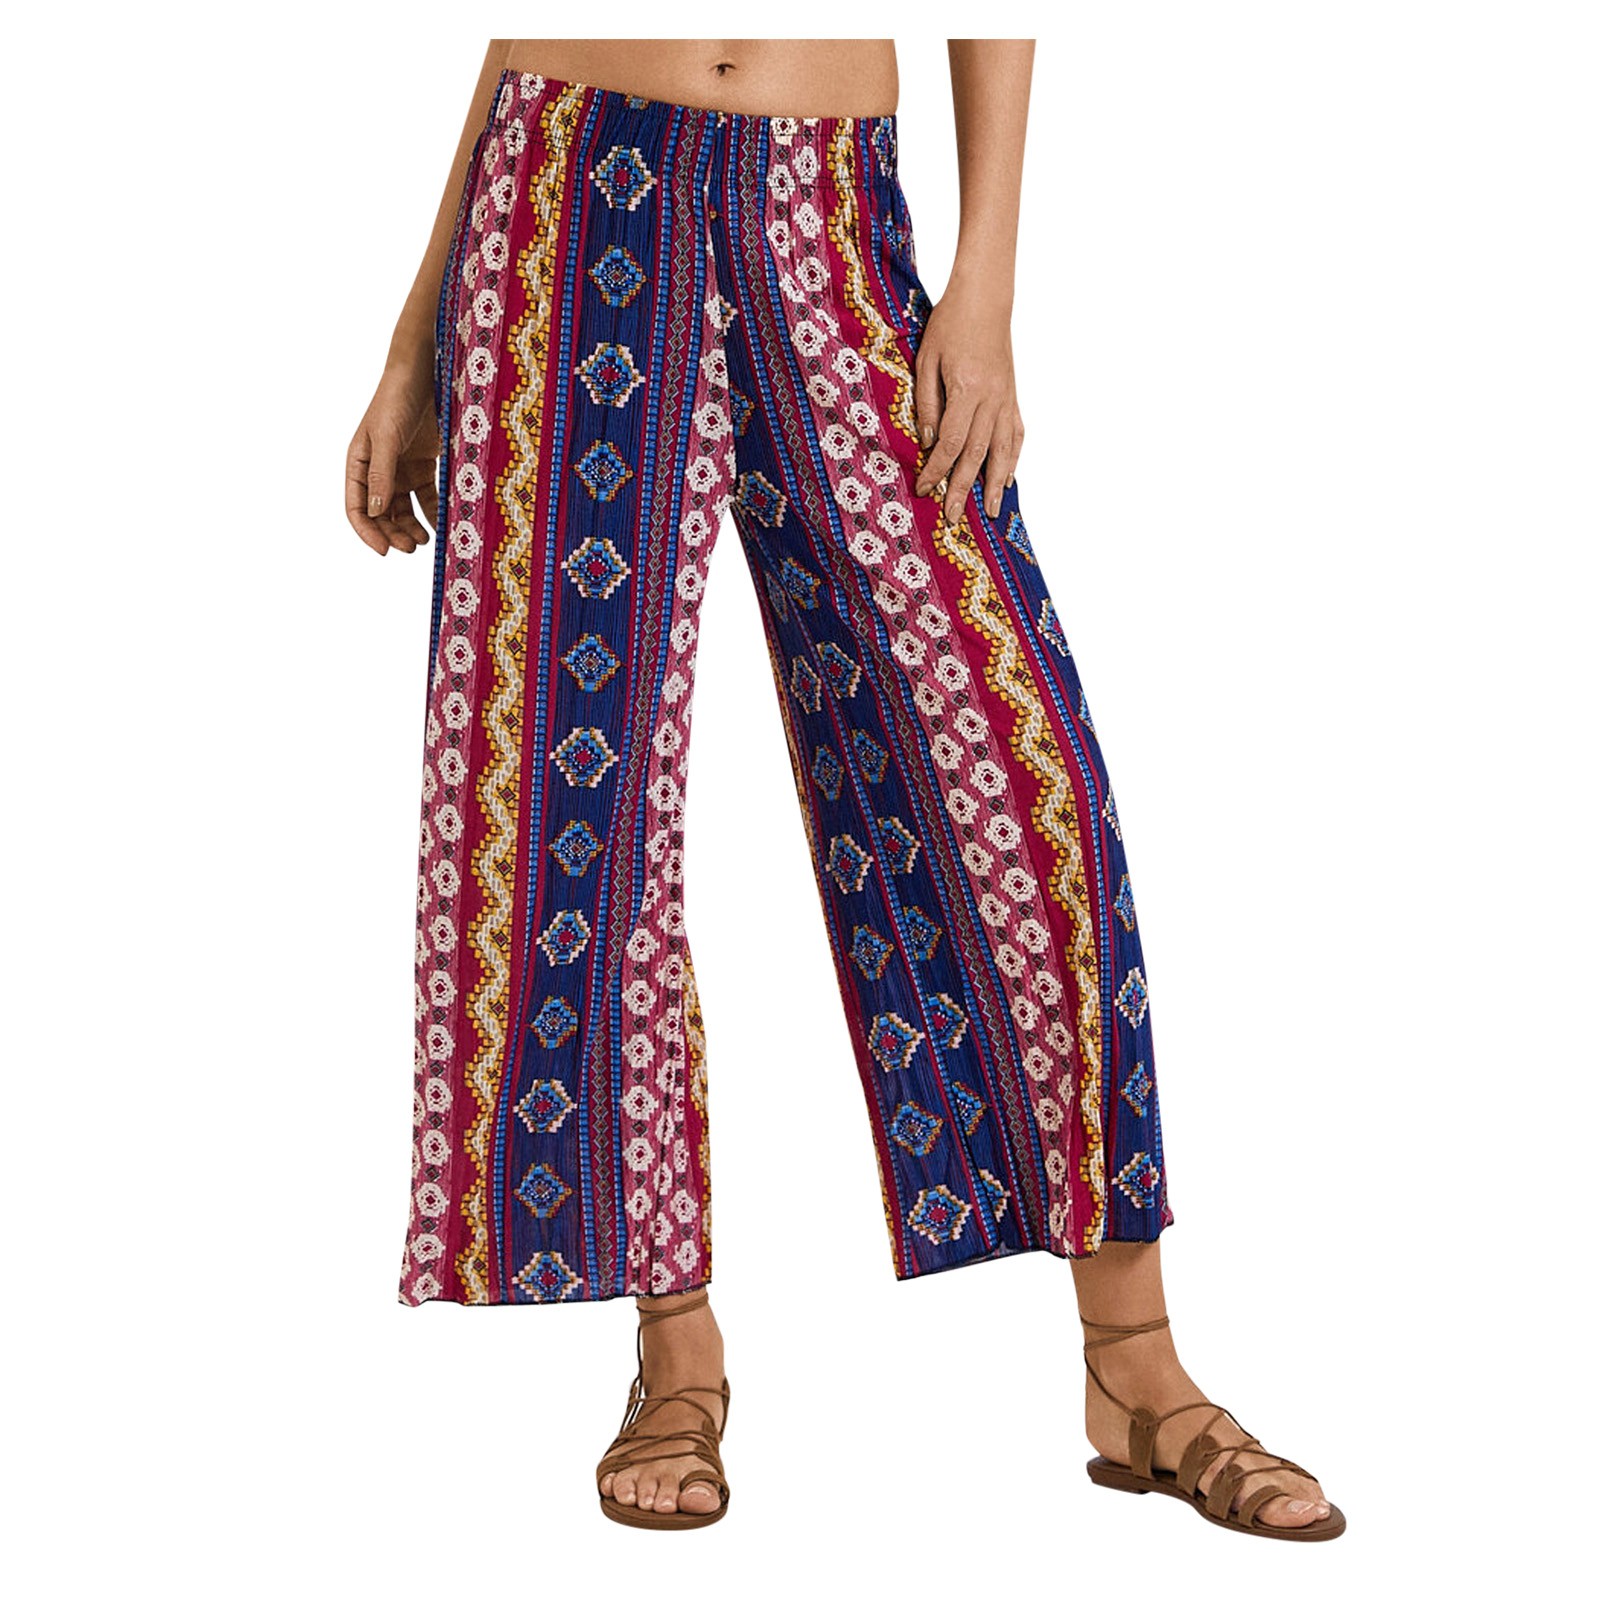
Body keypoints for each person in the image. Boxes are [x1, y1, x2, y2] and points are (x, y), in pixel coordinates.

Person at [345, 37, 1343, 1540]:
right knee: (573, 805)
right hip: (560, 196)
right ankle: (676, 1351)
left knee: (1015, 769)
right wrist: (414, 337)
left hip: (825, 202)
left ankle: (1135, 1363)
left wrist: (984, 287)